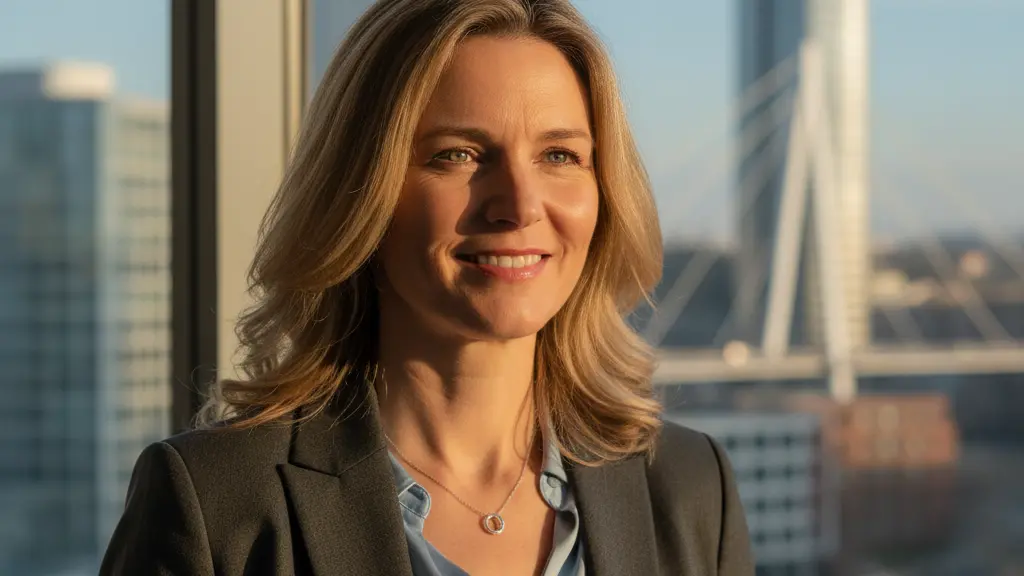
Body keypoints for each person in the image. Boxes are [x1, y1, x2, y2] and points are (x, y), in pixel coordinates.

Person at [100, 0, 754, 574]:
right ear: (363, 194)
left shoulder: (690, 488)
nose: (519, 205)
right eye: (459, 155)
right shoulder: (217, 505)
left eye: (559, 156)